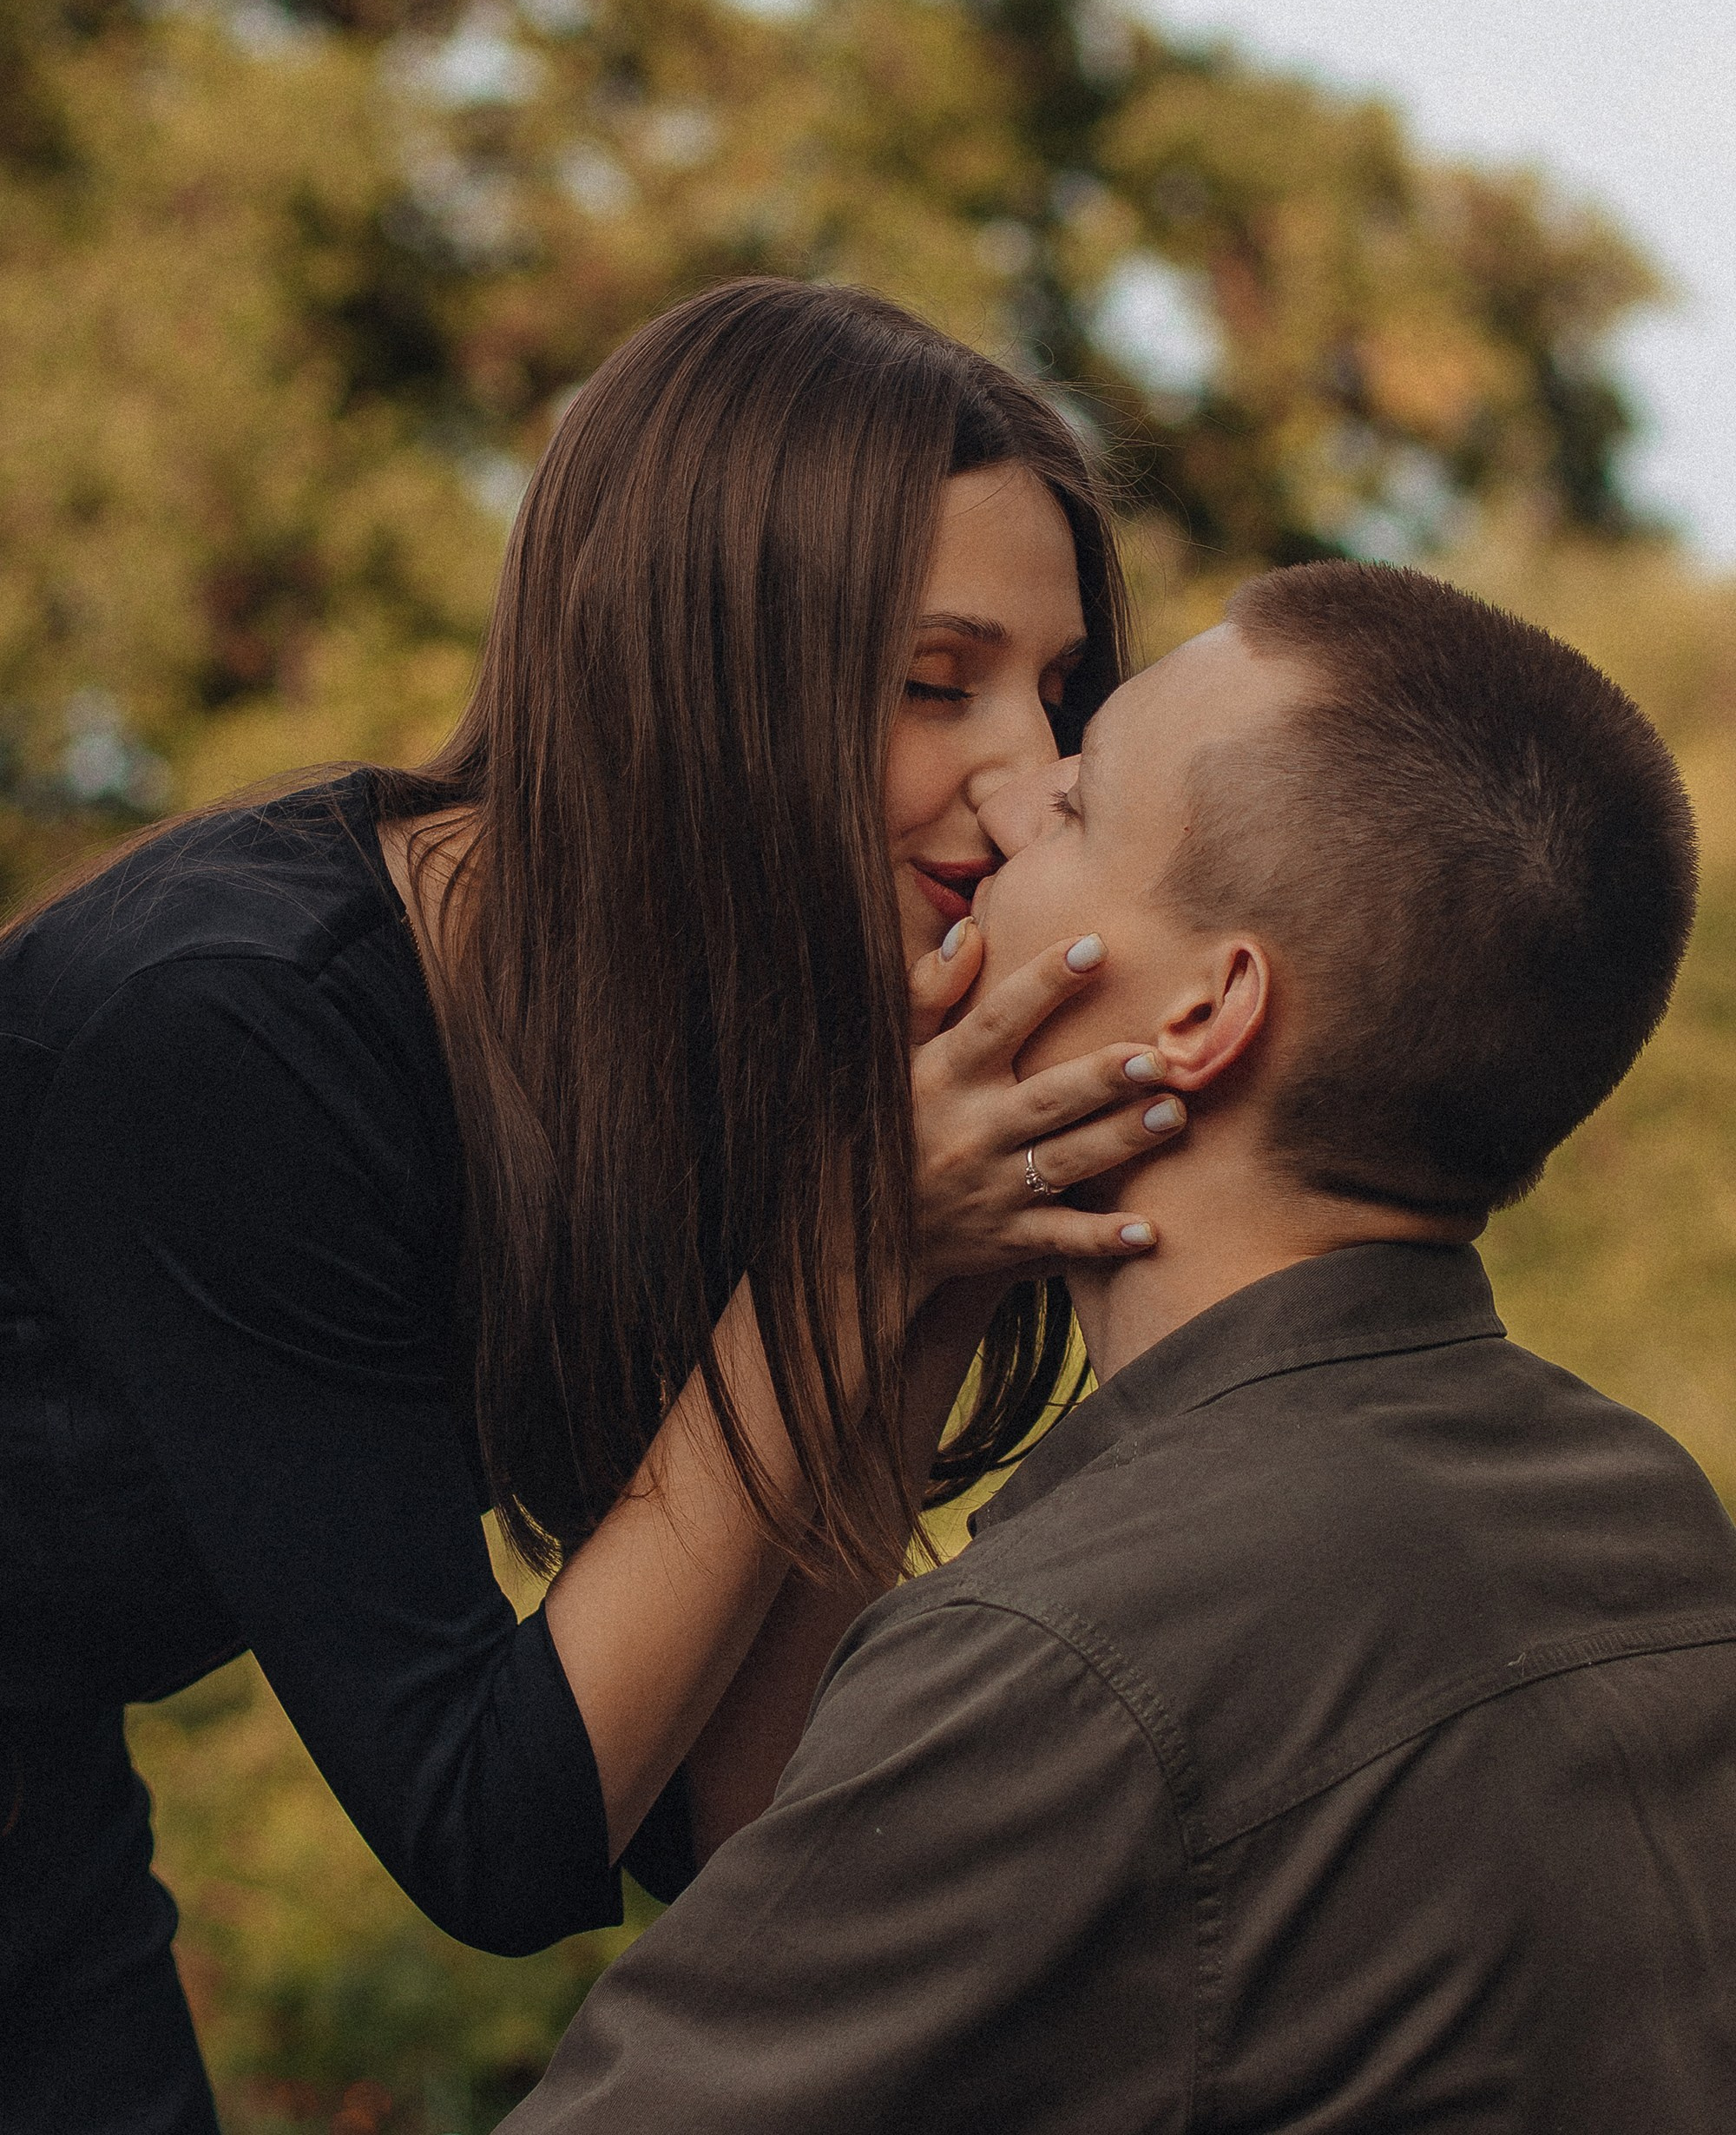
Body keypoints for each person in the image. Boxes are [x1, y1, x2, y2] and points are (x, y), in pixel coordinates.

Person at [0, 279, 1187, 2132]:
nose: (1030, 787)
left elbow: (734, 1826)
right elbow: (492, 1831)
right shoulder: (229, 1031)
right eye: (927, 684)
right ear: (691, 681)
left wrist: (925, 1267)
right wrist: (861, 1243)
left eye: (1057, 697)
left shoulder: (723, 1053)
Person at [501, 561, 1736, 2135]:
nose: (1010, 810)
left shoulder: (1067, 1664)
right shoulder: (1642, 1509)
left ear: (1208, 1013)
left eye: (1078, 808)